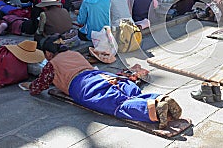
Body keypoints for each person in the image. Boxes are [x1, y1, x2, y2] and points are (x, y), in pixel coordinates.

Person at [22, 35, 182, 129]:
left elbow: (38, 86)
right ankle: (159, 98)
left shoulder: (51, 64)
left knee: (116, 104)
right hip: (101, 75)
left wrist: (31, 86)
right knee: (127, 90)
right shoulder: (75, 54)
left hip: (83, 86)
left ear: (48, 53)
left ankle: (153, 108)